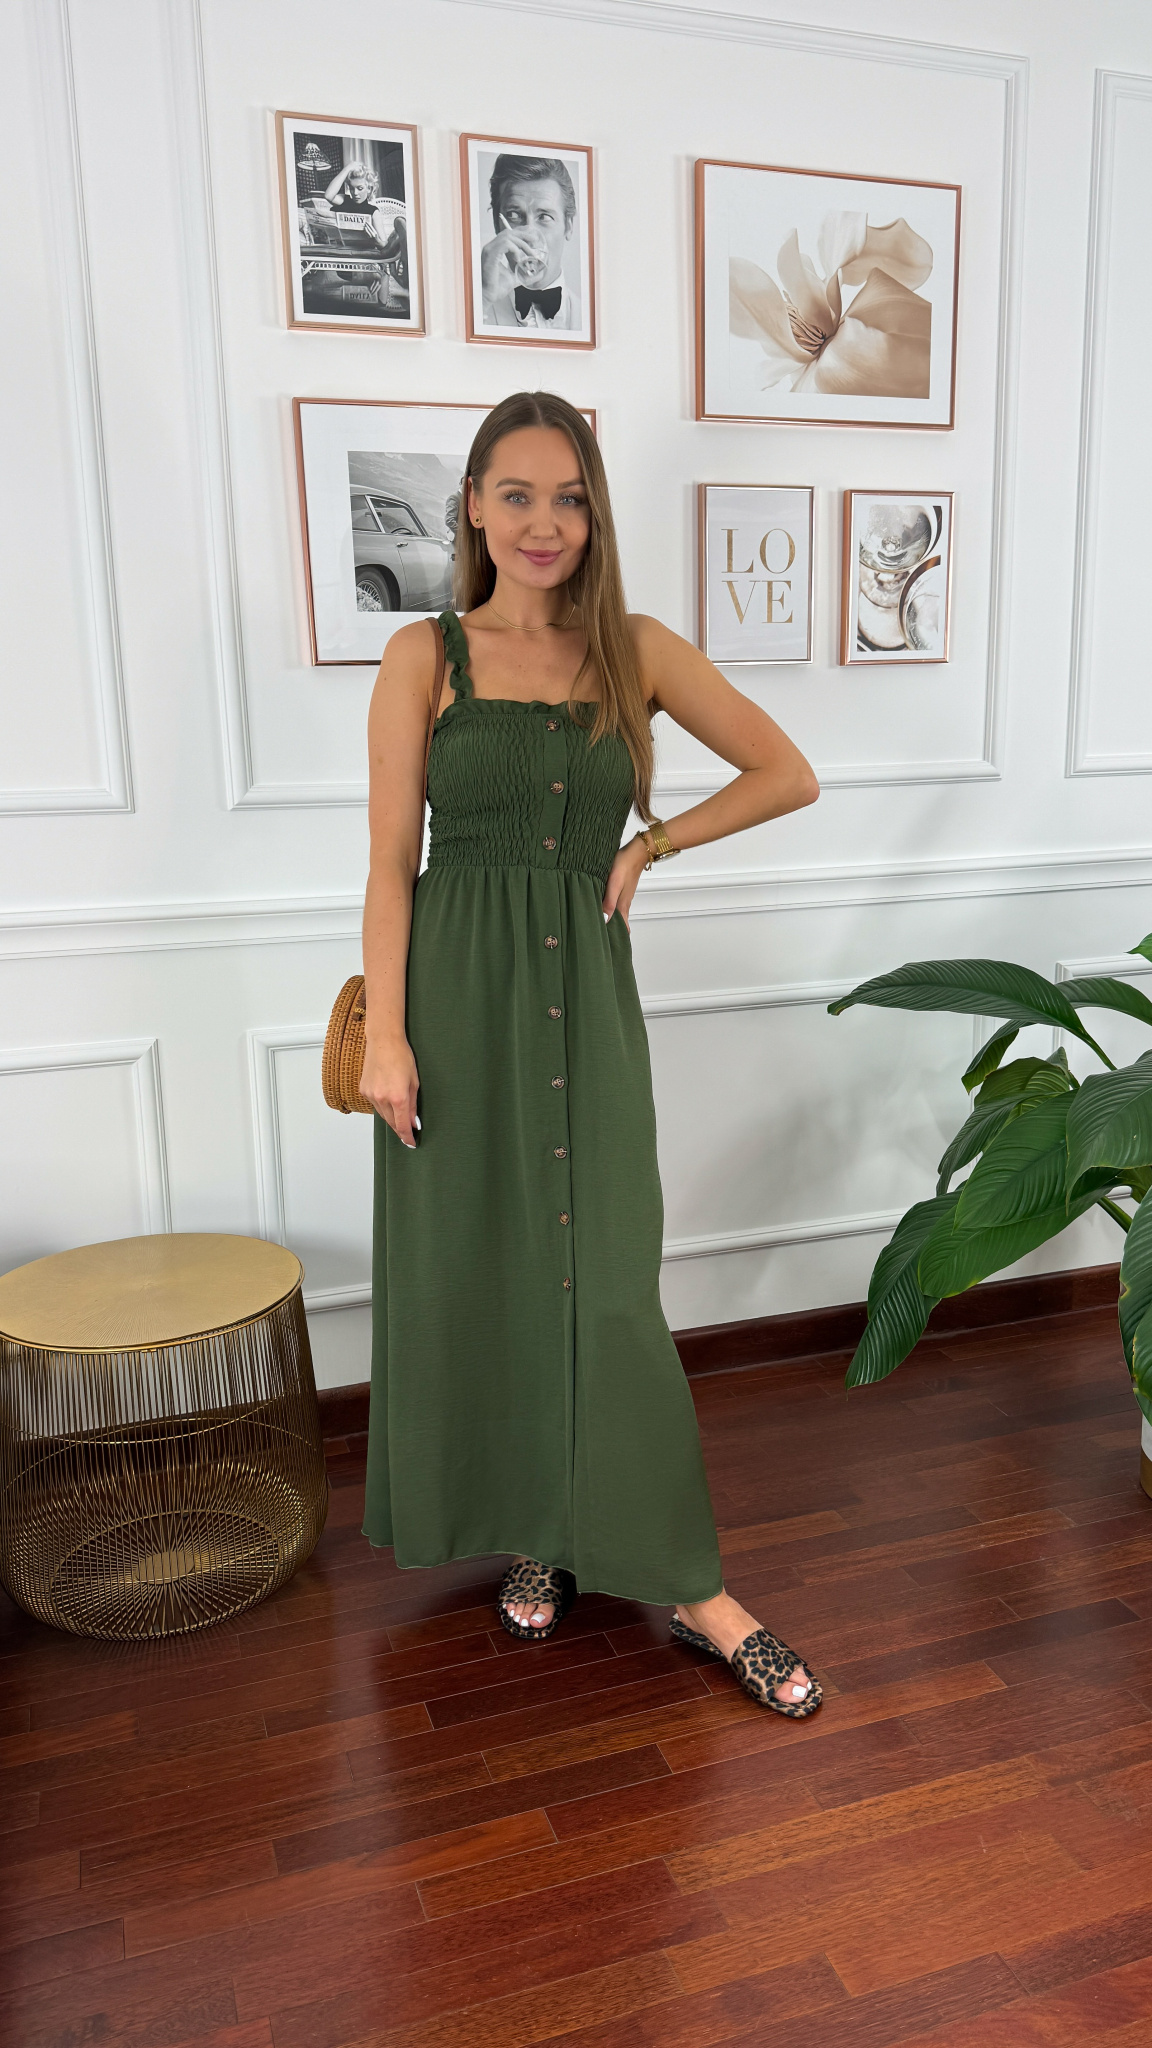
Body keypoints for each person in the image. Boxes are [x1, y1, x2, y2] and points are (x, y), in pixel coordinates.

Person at [359, 391, 823, 1716]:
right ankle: (545, 1532)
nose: (544, 522)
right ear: (472, 505)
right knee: (493, 1270)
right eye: (517, 493)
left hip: (583, 998)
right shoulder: (423, 655)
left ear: (594, 512)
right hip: (453, 1000)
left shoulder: (637, 650)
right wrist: (388, 1034)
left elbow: (786, 771)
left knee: (606, 1279)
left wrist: (652, 842)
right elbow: (390, 863)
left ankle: (696, 1588)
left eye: (569, 497)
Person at [480, 155, 581, 333]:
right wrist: (483, 298)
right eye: (514, 215)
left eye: (544, 217)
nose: (530, 236)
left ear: (569, 226)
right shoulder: (477, 308)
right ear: (497, 225)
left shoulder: (595, 318)